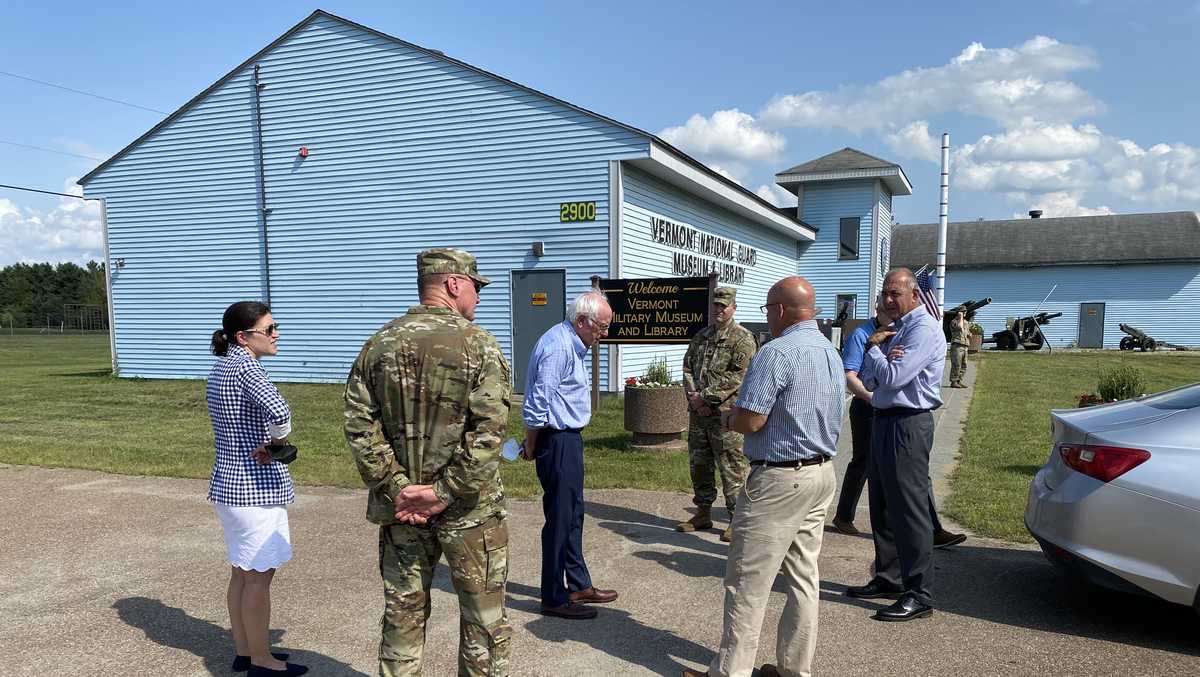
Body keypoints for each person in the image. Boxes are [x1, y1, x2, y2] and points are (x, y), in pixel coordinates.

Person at [343, 248, 512, 676]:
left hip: (401, 513)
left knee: (403, 617)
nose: (479, 296)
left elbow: (360, 427)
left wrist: (398, 486)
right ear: (454, 284)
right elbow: (489, 435)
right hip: (469, 513)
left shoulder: (378, 345)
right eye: (476, 286)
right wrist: (442, 493)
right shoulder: (480, 346)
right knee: (483, 621)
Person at [685, 276, 843, 677]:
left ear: (779, 310)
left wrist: (730, 414)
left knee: (746, 583)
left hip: (779, 480)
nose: (767, 318)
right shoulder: (829, 351)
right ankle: (794, 670)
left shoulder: (776, 353)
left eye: (767, 311)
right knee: (803, 580)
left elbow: (750, 420)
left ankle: (730, 673)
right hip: (821, 473)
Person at [206, 301, 308, 677]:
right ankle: (262, 661)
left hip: (227, 486)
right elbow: (279, 412)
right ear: (243, 336)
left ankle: (245, 651)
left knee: (241, 573)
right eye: (268, 329)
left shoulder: (222, 367)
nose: (275, 333)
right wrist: (277, 444)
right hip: (253, 489)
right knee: (258, 577)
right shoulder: (248, 366)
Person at [846, 268, 945, 622]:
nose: (888, 300)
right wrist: (881, 355)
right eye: (885, 293)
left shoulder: (923, 329)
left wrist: (874, 349)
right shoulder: (897, 329)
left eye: (895, 293)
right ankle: (889, 578)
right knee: (883, 504)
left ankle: (919, 593)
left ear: (915, 294)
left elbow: (891, 376)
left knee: (909, 510)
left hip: (908, 423)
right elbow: (873, 378)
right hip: (884, 420)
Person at [831, 299, 966, 550]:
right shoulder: (862, 334)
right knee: (864, 462)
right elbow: (850, 374)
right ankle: (844, 515)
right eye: (885, 309)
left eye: (894, 311)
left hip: (893, 409)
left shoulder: (902, 332)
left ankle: (933, 528)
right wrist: (873, 397)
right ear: (876, 310)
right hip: (867, 406)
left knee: (913, 470)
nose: (891, 314)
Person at [521, 290, 619, 620]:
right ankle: (552, 596)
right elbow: (538, 402)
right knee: (560, 521)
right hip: (556, 440)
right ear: (581, 321)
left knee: (574, 513)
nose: (603, 335)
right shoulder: (558, 347)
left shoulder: (572, 342)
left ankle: (578, 584)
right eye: (601, 328)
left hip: (569, 439)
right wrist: (531, 443)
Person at [678, 286, 756, 542]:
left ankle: (736, 520)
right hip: (699, 414)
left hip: (725, 417)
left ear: (734, 307)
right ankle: (702, 513)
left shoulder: (743, 339)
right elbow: (688, 367)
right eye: (716, 305)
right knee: (699, 465)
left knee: (731, 469)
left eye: (724, 305)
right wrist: (694, 397)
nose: (719, 310)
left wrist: (706, 397)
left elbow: (738, 376)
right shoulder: (701, 336)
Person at [948, 310, 969, 388]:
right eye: (964, 311)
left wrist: (969, 334)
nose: (965, 313)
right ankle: (954, 381)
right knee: (957, 364)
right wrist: (960, 317)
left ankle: (959, 380)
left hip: (965, 345)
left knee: (964, 365)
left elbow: (966, 332)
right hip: (957, 345)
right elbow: (959, 327)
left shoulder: (966, 322)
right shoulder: (954, 321)